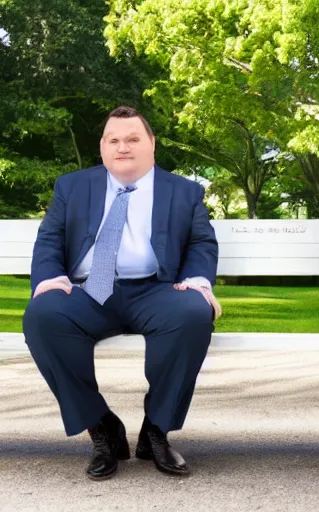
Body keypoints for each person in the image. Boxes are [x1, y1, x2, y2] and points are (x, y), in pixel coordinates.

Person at [23, 106, 220, 481]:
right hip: (90, 290)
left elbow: (200, 242)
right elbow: (49, 239)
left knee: (193, 313)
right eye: (113, 140)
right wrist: (50, 278)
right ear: (102, 147)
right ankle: (101, 430)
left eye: (132, 139)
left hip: (156, 289)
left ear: (151, 145)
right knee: (43, 316)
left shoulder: (185, 191)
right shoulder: (72, 186)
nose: (122, 147)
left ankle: (156, 432)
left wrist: (197, 281)